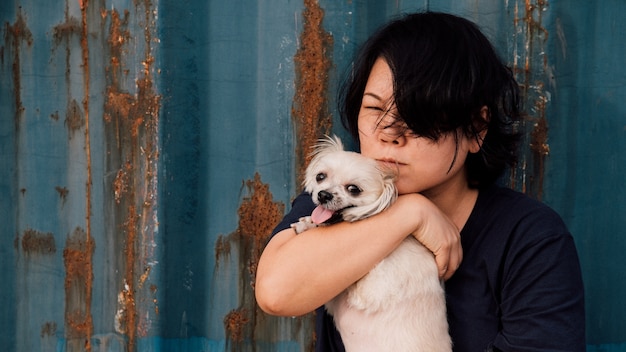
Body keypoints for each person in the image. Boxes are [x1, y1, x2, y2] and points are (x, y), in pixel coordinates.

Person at [255, 11, 585, 351]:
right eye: (374, 109)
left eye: (420, 115)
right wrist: (409, 213)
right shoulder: (337, 201)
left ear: (477, 128)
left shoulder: (529, 237)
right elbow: (276, 293)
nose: (389, 134)